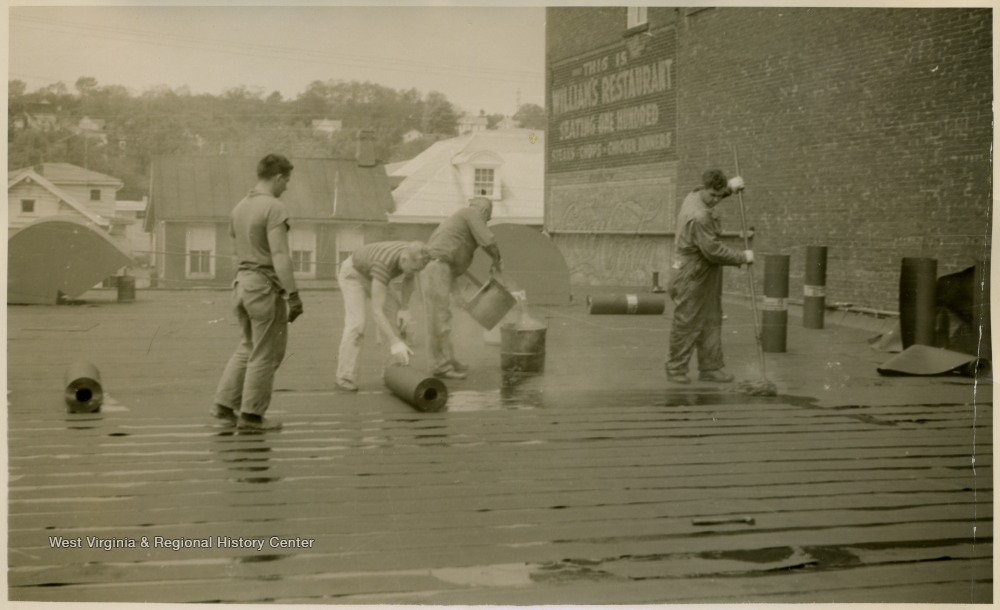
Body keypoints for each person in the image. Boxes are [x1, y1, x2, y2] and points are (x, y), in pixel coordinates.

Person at [212, 154, 304, 432]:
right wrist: (293, 295)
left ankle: (224, 406)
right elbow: (280, 254)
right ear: (278, 177)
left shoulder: (240, 207)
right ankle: (252, 417)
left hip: (241, 285)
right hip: (264, 288)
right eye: (286, 181)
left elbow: (234, 254)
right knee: (267, 353)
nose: (287, 186)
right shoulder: (274, 207)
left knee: (248, 346)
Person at [665, 169, 753, 385]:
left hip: (704, 270)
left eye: (719, 195)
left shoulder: (694, 195)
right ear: (704, 188)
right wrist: (742, 256)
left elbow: (713, 194)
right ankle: (676, 368)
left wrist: (729, 189)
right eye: (712, 195)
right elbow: (713, 251)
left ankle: (710, 368)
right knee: (688, 321)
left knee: (712, 317)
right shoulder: (700, 216)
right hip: (691, 272)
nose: (715, 200)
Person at [421, 196, 503, 379]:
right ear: (484, 210)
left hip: (445, 269)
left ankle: (448, 359)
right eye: (488, 218)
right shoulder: (471, 213)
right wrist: (497, 261)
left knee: (445, 317)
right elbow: (488, 240)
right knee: (438, 319)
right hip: (438, 267)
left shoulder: (462, 217)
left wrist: (457, 293)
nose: (487, 222)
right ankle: (440, 367)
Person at [336, 241, 431, 391]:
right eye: (413, 269)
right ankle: (345, 376)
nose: (414, 273)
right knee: (357, 324)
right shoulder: (383, 265)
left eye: (418, 270)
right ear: (404, 259)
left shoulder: (411, 255)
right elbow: (377, 311)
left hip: (373, 272)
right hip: (353, 274)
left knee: (393, 315)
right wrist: (394, 341)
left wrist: (404, 308)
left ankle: (391, 373)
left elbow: (409, 278)